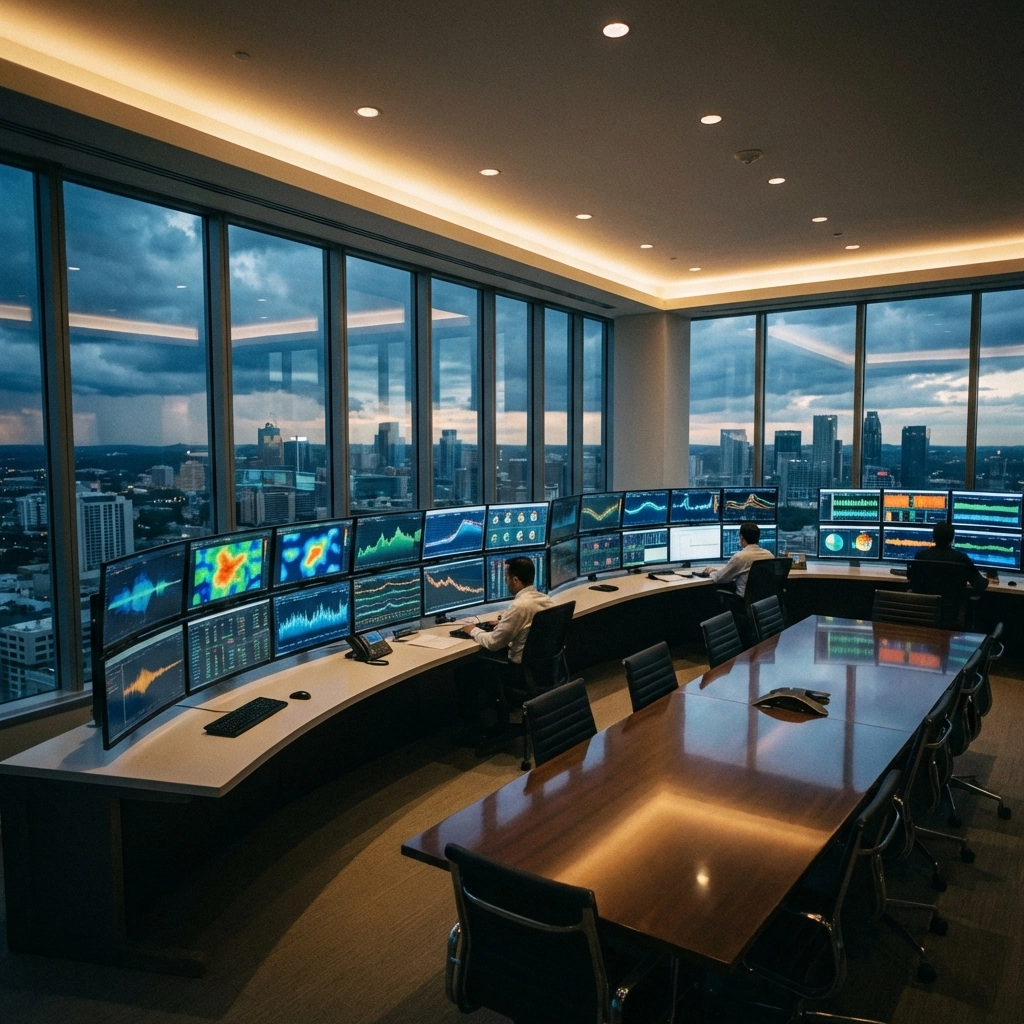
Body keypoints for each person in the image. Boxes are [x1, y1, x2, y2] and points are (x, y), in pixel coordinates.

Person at [453, 556, 554, 746]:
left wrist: (472, 630)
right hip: (544, 670)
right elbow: (530, 626)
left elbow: (493, 643)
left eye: (507, 578)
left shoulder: (519, 606)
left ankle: (477, 732)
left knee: (464, 672)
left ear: (516, 580)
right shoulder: (544, 600)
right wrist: (504, 623)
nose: (506, 582)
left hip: (518, 674)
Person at [911, 521, 988, 625]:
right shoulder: (961, 559)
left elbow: (912, 580)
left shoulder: (920, 556)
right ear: (952, 539)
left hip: (923, 611)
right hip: (950, 614)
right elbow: (979, 584)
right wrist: (988, 578)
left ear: (933, 537)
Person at [695, 520, 773, 598]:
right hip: (765, 601)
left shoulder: (740, 557)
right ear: (758, 538)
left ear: (741, 538)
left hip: (743, 601)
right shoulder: (769, 555)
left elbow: (719, 578)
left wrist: (711, 572)